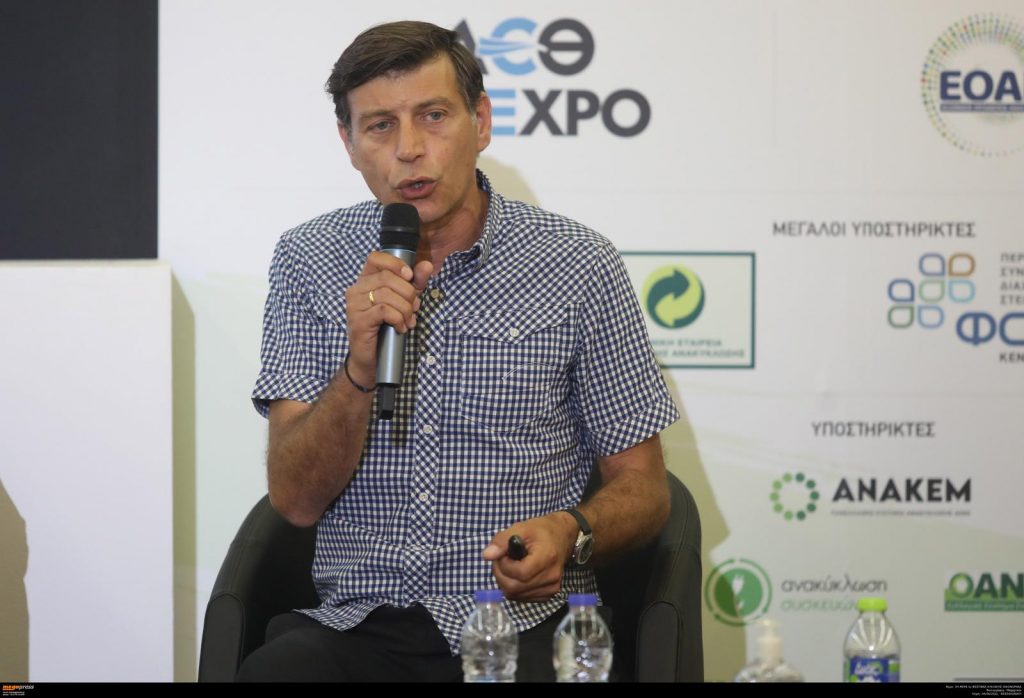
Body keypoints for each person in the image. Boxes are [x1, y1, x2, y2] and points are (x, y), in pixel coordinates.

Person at [238, 20, 679, 682]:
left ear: (481, 121)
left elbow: (645, 488)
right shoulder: (309, 259)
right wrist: (359, 370)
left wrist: (571, 531)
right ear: (349, 144)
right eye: (380, 126)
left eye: (434, 115)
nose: (410, 149)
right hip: (357, 625)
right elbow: (294, 500)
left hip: (522, 623)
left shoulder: (577, 263)